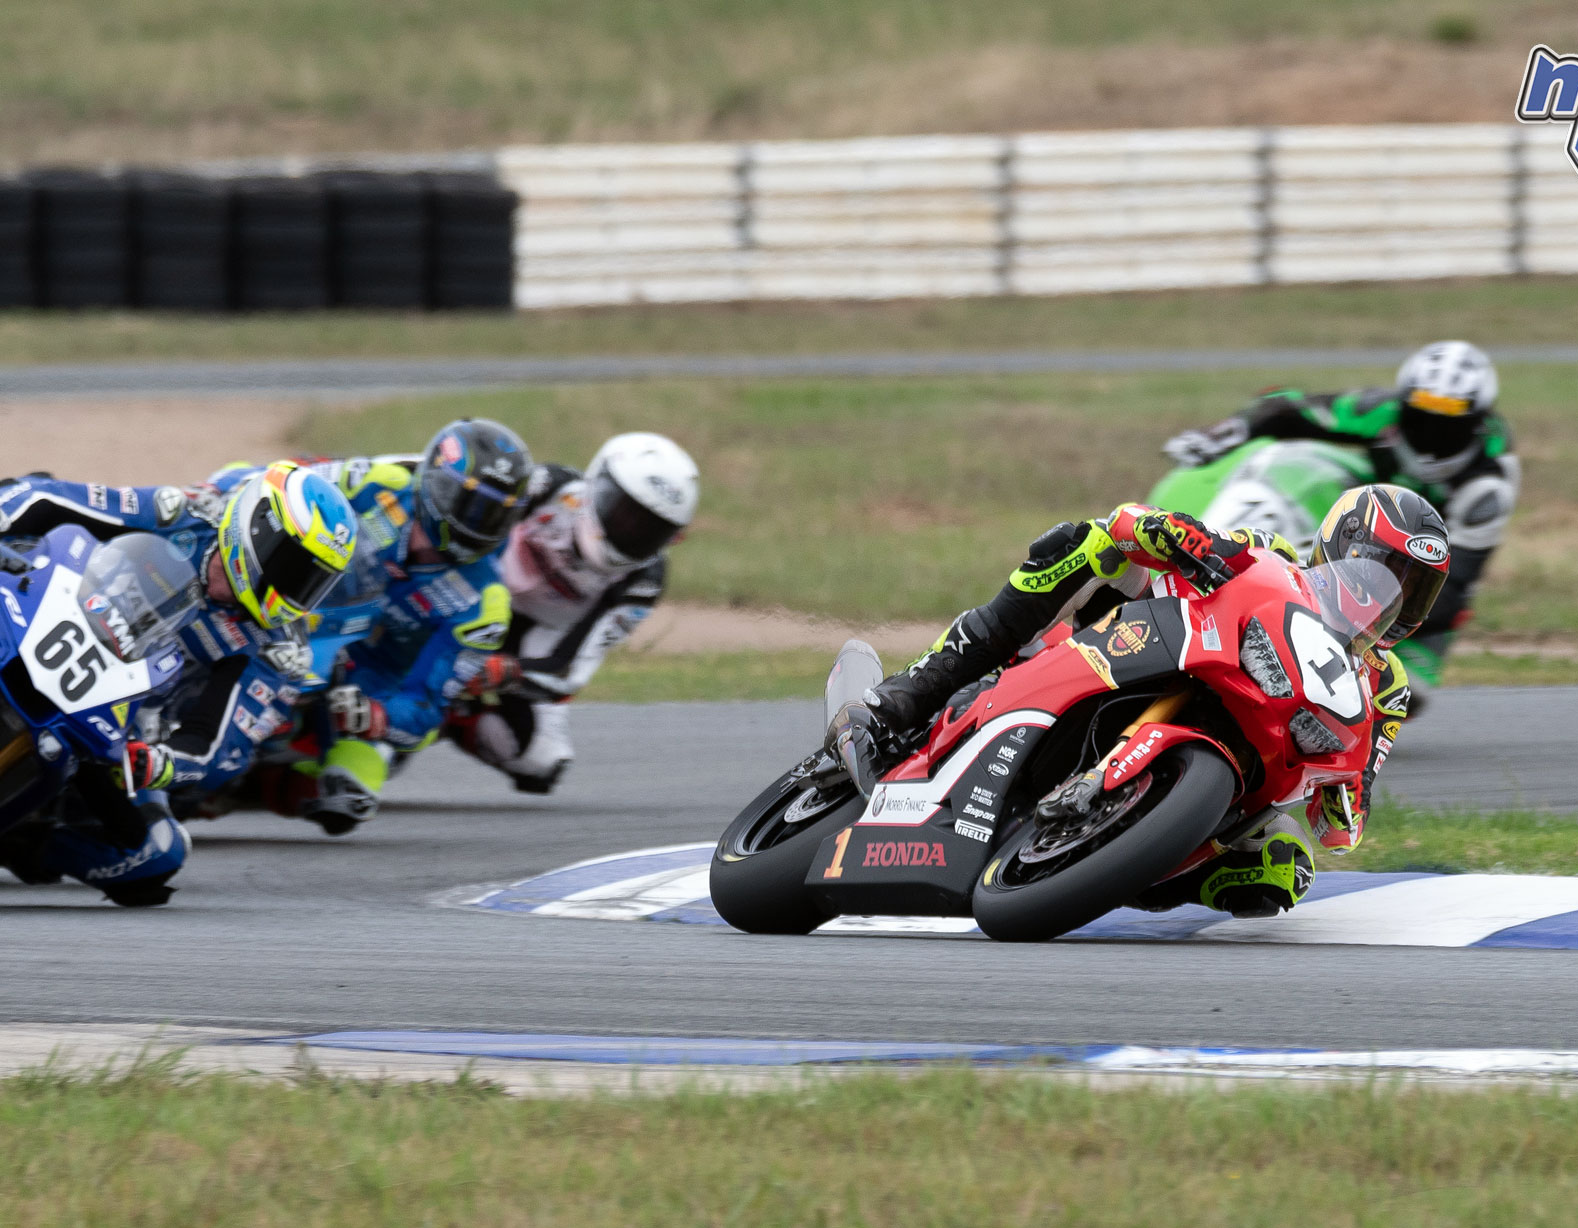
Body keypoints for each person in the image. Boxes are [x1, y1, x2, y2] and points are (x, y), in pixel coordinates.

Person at [835, 484, 1448, 918]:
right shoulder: (1271, 555)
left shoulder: (1384, 686)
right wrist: (1168, 533)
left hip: (1245, 761)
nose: (1387, 600)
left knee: (1284, 867)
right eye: (1379, 575)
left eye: (1412, 592)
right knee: (1086, 546)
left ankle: (1115, 861)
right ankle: (906, 695)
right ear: (1339, 548)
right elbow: (1145, 526)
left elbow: (1345, 822)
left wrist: (1345, 793)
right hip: (1151, 654)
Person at [0, 462, 356, 903]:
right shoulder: (177, 514)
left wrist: (160, 760)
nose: (296, 591)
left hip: (121, 726)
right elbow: (47, 497)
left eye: (313, 582)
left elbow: (215, 744)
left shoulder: (277, 650)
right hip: (38, 624)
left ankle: (28, 844)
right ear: (259, 529)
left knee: (156, 853)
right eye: (294, 568)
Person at [1160, 340, 1514, 702]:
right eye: (1422, 419)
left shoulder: (1488, 487)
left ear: (1476, 423)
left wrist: (1356, 620)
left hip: (1422, 597)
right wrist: (1230, 431)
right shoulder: (1382, 412)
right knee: (1301, 462)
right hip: (1368, 531)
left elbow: (1453, 589)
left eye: (1449, 426)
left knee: (1401, 693)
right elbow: (1288, 407)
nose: (1433, 437)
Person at [278, 417, 533, 834]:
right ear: (437, 485)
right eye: (471, 506)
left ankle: (279, 779)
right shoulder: (377, 484)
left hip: (366, 679)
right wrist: (217, 492)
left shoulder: (485, 601)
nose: (478, 524)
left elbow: (427, 704)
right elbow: (283, 482)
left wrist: (375, 716)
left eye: (494, 516)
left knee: (347, 796)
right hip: (292, 611)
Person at [447, 432, 698, 792]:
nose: (631, 531)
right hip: (474, 592)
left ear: (673, 539)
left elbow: (569, 668)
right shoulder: (550, 486)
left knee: (540, 762)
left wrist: (498, 672)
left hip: (536, 639)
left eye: (650, 529)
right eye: (624, 513)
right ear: (596, 485)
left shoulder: (644, 580)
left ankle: (452, 717)